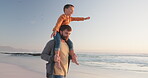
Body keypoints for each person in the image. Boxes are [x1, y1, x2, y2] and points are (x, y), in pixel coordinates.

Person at [51, 4, 90, 69]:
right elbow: (58, 23)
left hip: (64, 34)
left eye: (73, 10)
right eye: (71, 10)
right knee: (58, 42)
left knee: (71, 43)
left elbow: (77, 19)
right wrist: (55, 30)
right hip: (58, 32)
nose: (72, 11)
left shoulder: (70, 18)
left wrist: (84, 18)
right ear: (65, 9)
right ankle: (57, 60)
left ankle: (73, 58)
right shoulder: (63, 16)